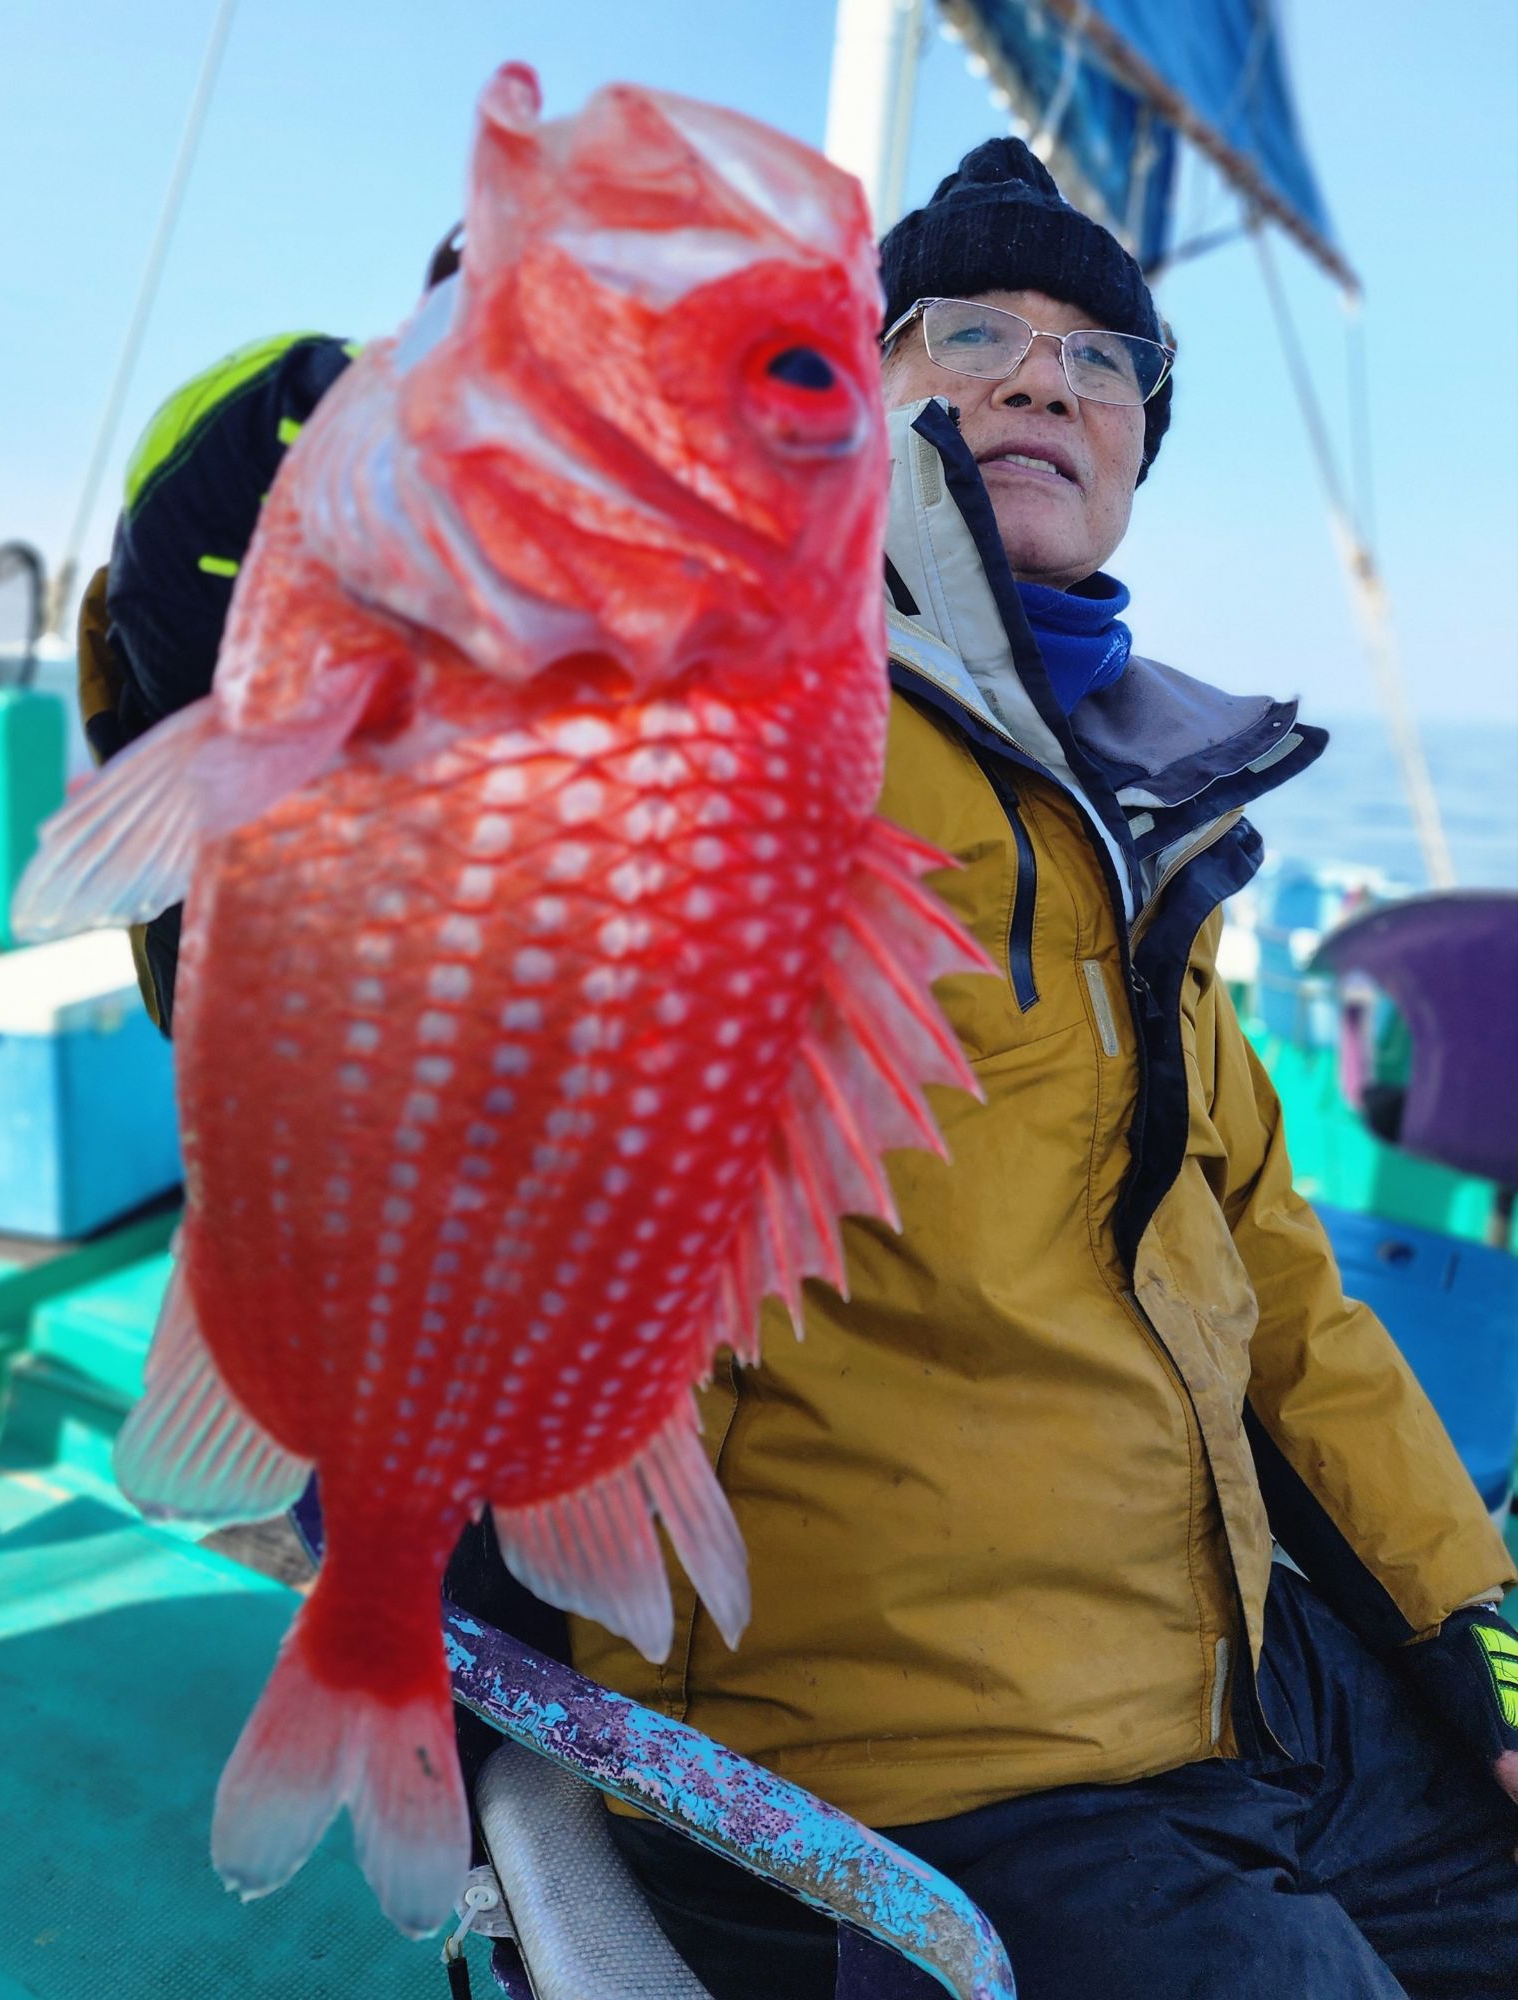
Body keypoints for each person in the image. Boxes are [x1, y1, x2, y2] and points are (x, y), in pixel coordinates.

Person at [75, 148, 1518, 1998]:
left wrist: (1459, 1618)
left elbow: (1281, 1290)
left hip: (1252, 1673)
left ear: (1143, 440)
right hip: (927, 1753)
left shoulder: (1154, 810)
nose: (1036, 380)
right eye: (970, 331)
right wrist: (260, 580)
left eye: (1102, 359)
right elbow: (331, 936)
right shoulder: (734, 679)